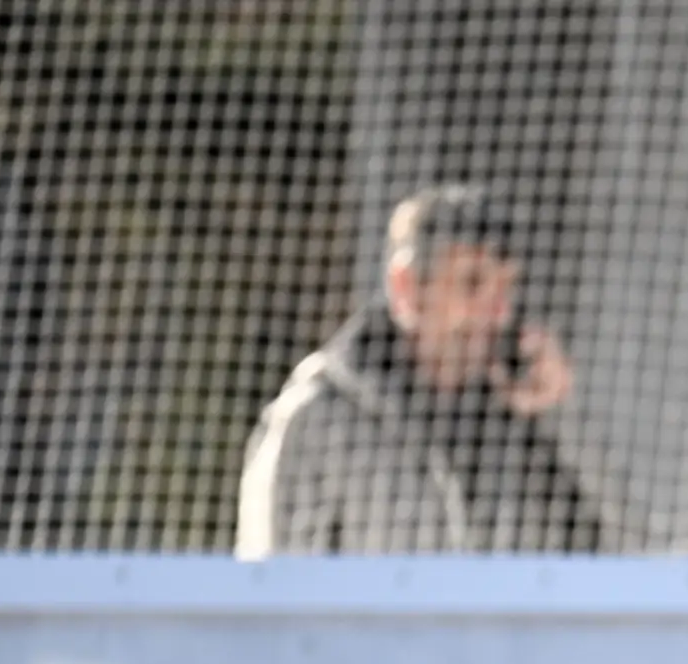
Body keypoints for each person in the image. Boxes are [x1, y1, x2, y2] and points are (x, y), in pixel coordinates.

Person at [235, 184, 602, 554]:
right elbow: (271, 587)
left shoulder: (521, 430)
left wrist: (560, 415)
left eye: (506, 287)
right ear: (405, 286)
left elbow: (633, 545)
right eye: (472, 283)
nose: (499, 312)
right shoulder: (318, 419)